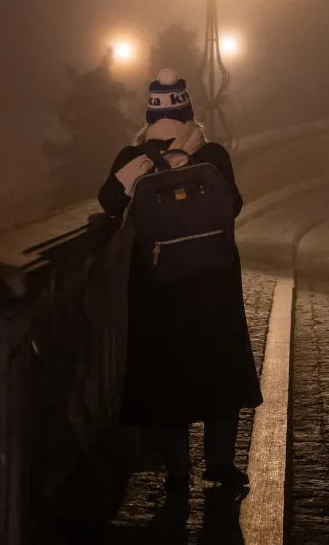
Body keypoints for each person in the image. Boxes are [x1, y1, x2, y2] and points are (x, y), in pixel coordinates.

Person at [98, 69, 262, 501]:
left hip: (158, 288)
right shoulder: (212, 154)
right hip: (214, 284)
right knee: (218, 373)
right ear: (190, 111)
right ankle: (221, 464)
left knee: (165, 376)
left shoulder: (133, 158)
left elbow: (108, 202)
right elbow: (235, 205)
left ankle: (177, 472)